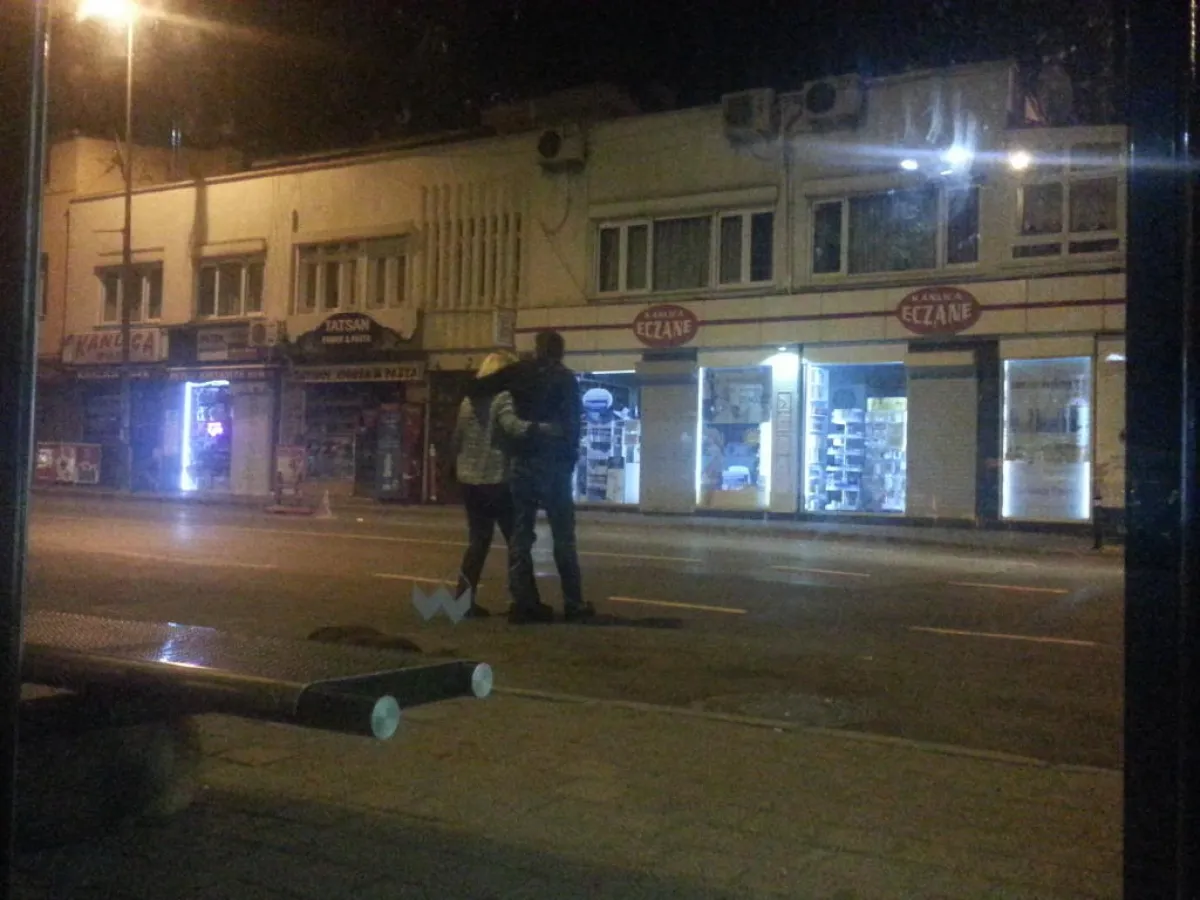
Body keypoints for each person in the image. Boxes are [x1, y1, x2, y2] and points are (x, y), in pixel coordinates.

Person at [451, 350, 555, 618]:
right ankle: (525, 600)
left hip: (470, 481)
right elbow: (512, 426)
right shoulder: (503, 397)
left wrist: (457, 466)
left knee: (478, 542)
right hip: (497, 479)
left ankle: (462, 601)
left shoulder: (468, 401)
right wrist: (542, 428)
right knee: (516, 542)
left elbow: (457, 438)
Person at [506, 330, 595, 624]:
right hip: (554, 464)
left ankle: (523, 601)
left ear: (537, 349)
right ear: (560, 351)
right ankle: (573, 602)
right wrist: (570, 458)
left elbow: (512, 420)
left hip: (523, 462)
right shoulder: (565, 379)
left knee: (521, 534)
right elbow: (572, 423)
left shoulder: (523, 378)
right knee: (563, 535)